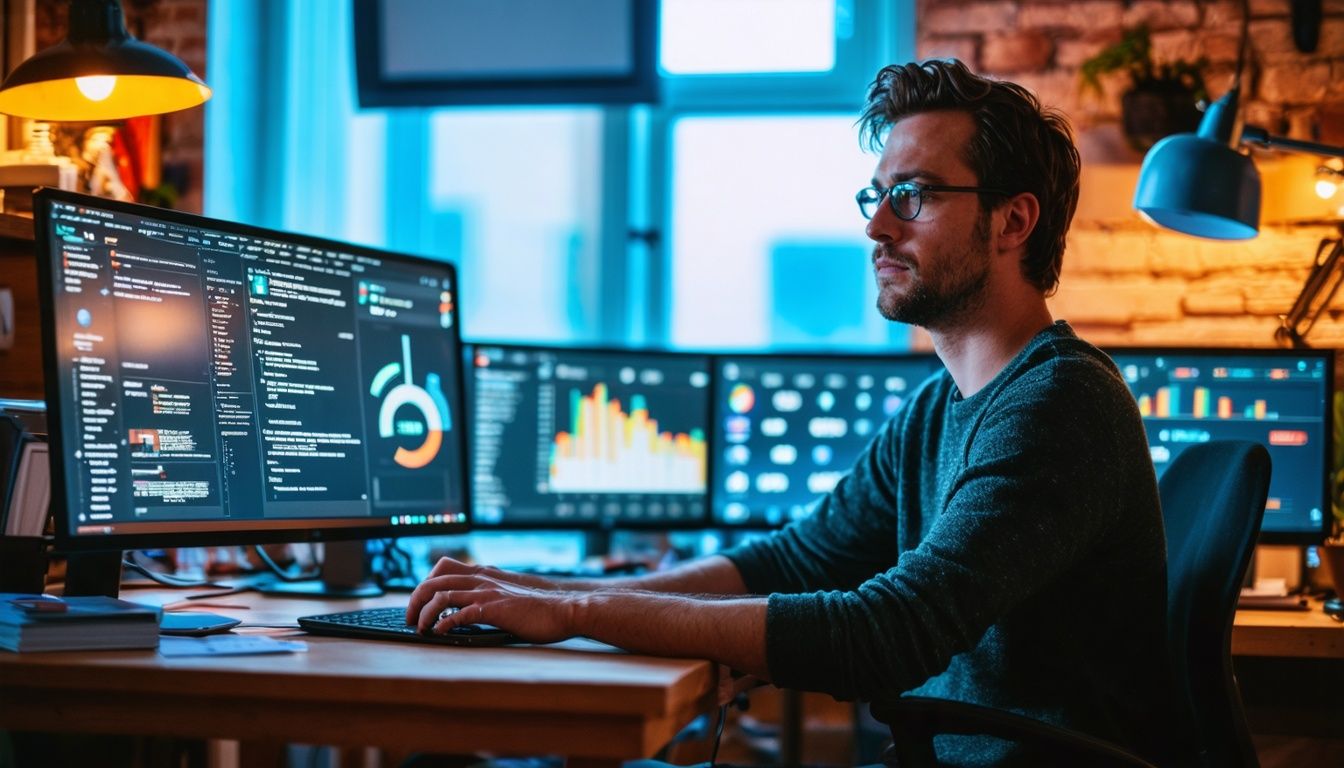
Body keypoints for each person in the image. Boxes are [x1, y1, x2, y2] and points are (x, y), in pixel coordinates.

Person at [407, 59, 1178, 765]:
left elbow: (889, 633)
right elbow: (797, 559)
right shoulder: (941, 407)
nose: (878, 226)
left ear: (1013, 222)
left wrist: (580, 610)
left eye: (913, 196)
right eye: (877, 197)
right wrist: (543, 595)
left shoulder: (1059, 405)